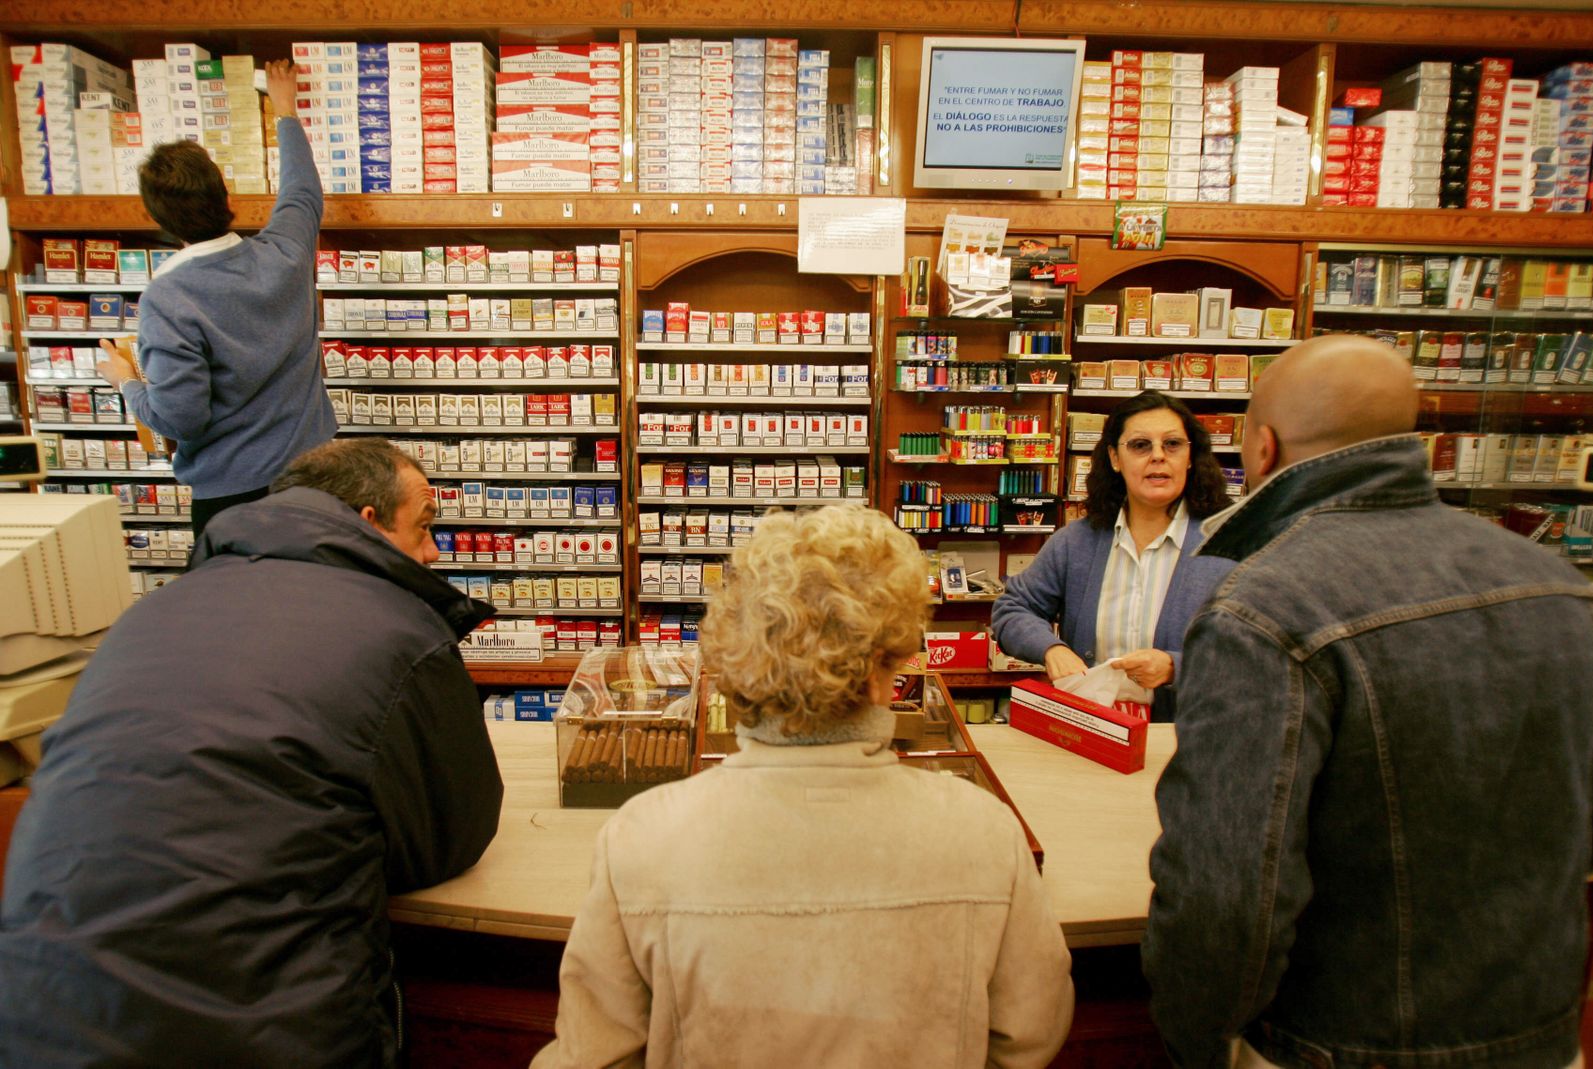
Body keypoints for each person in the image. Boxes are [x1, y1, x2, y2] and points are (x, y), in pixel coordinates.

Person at [1143, 335, 1593, 1069]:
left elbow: (1229, 898)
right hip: (1541, 1039)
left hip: (1339, 1045)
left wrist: (1196, 1040)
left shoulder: (1265, 607)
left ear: (1262, 447)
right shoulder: (1554, 581)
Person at [0, 437, 503, 1068]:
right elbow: (445, 840)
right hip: (265, 1030)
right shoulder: (398, 630)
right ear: (369, 523)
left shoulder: (150, 614)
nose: (434, 552)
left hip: (43, 1020)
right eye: (425, 527)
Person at [530, 505, 1074, 1068]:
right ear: (887, 668)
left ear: (735, 659)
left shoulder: (640, 837)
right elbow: (1029, 1034)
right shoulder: (983, 832)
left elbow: (591, 1055)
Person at [96, 58, 336, 538]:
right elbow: (303, 191)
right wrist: (284, 108)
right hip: (319, 481)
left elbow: (180, 417)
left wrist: (127, 383)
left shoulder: (168, 298)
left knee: (237, 612)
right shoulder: (284, 253)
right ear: (225, 193)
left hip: (234, 498)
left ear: (158, 219)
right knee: (318, 605)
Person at [991, 390, 1235, 720]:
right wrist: (1051, 648)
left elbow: (1260, 650)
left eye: (1173, 444)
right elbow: (1013, 607)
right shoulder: (1077, 543)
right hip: (1092, 729)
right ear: (1115, 459)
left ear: (1191, 457)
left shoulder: (1229, 547)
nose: (1158, 456)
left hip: (1188, 740)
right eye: (1140, 445)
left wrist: (1175, 666)